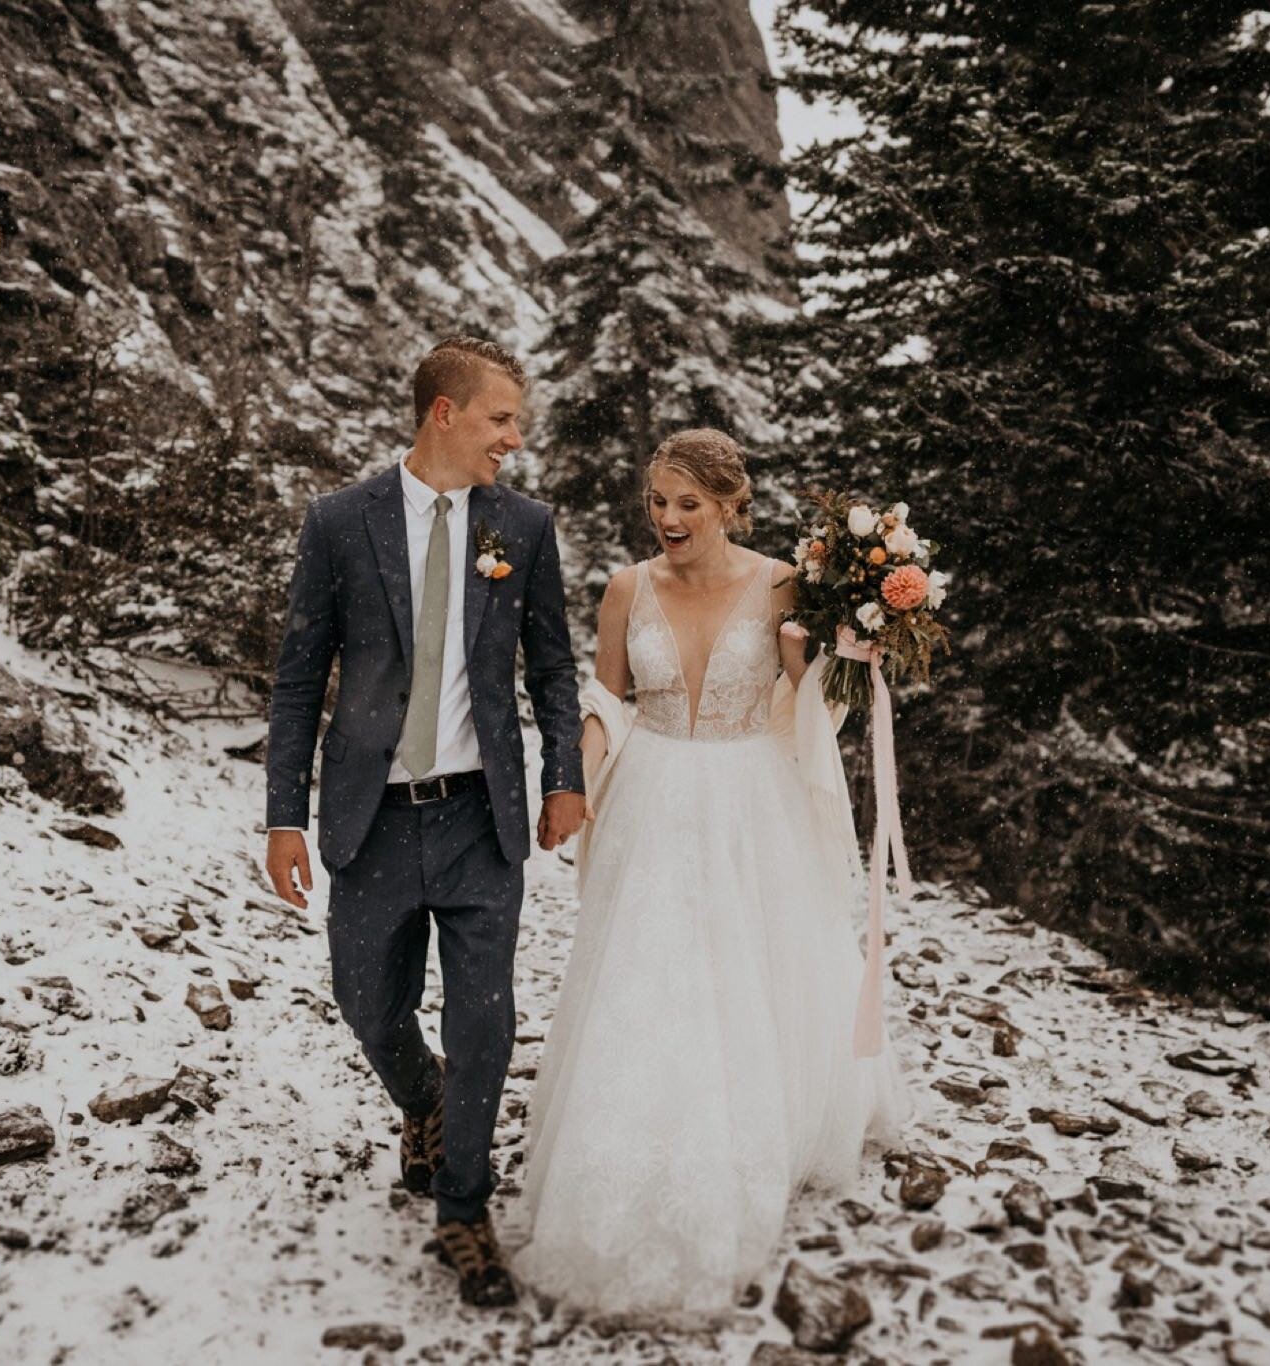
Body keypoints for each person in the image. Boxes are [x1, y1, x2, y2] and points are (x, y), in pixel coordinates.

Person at [509, 428, 906, 1317]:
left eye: (689, 503)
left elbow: (808, 705)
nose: (668, 520)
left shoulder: (782, 586)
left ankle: (749, 1133)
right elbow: (607, 698)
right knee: (647, 975)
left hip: (747, 795)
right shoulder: (623, 589)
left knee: (745, 964)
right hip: (649, 795)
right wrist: (577, 783)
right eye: (657, 501)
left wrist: (832, 660)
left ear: (732, 504)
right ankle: (627, 1144)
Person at [263, 336, 586, 1308]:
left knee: (484, 1024)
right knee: (368, 1004)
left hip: (480, 820)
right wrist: (283, 816)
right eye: (499, 419)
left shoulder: (522, 527)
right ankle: (424, 1103)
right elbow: (295, 676)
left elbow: (553, 668)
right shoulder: (338, 521)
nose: (513, 440)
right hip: (370, 817)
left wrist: (563, 775)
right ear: (442, 411)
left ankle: (462, 1207)